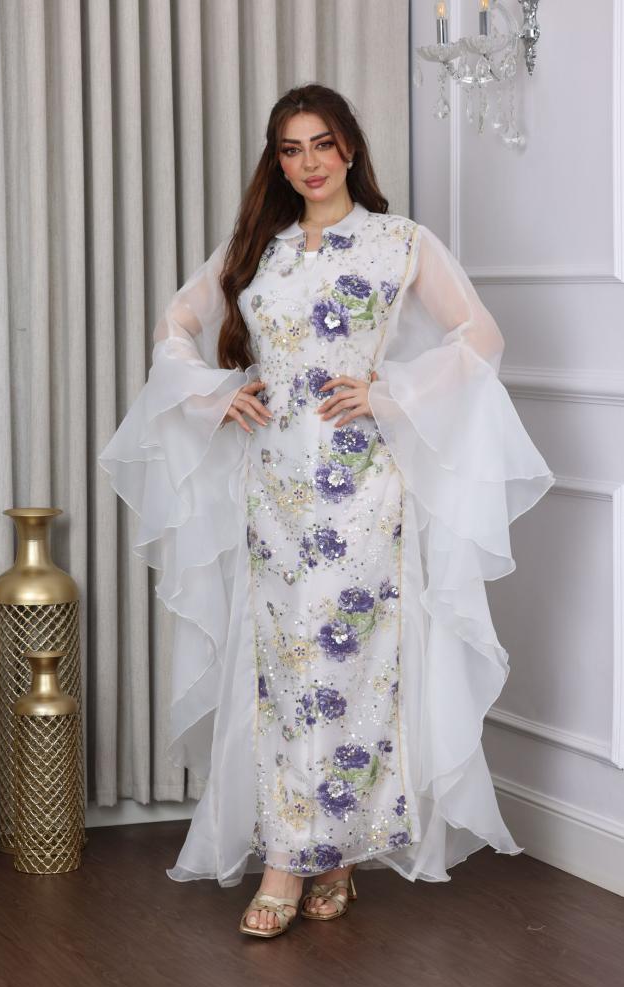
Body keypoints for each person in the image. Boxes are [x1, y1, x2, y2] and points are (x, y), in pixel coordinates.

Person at [99, 83, 555, 939]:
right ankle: (313, 854)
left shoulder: (399, 242)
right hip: (271, 490)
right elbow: (175, 326)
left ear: (349, 148)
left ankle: (306, 855)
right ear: (277, 162)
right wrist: (216, 395)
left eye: (321, 144)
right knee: (281, 673)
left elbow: (479, 338)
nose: (308, 163)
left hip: (361, 492)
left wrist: (389, 392)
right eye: (290, 149)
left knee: (348, 667)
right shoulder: (257, 249)